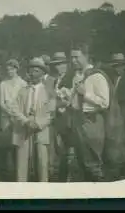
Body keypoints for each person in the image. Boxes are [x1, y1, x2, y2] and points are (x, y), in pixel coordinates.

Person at [69, 45, 125, 182]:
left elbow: (105, 102)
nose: (73, 60)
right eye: (71, 57)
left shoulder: (97, 76)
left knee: (93, 163)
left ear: (86, 56)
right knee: (82, 162)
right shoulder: (77, 76)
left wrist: (86, 94)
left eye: (76, 57)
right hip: (79, 121)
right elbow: (75, 102)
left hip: (93, 121)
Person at [8, 58, 56, 182]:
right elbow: (14, 109)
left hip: (41, 130)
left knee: (42, 163)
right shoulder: (23, 91)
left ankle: (42, 191)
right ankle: (21, 191)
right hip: (24, 129)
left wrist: (38, 124)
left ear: (42, 74)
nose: (33, 74)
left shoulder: (49, 91)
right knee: (22, 164)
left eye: (36, 71)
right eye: (31, 71)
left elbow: (51, 113)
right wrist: (26, 121)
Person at [47, 52, 75, 182]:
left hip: (68, 117)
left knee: (69, 147)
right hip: (58, 117)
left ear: (66, 64)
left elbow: (69, 100)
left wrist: (54, 104)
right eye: (56, 65)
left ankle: (68, 177)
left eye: (61, 64)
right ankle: (61, 175)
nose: (58, 67)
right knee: (60, 148)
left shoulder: (70, 78)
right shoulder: (55, 80)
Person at [0, 58, 27, 181]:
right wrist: (9, 113)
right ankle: (7, 174)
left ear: (17, 69)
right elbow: (1, 103)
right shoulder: (3, 84)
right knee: (6, 146)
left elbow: (24, 102)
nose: (10, 71)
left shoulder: (23, 83)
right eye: (8, 69)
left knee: (18, 145)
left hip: (19, 117)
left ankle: (19, 173)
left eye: (12, 69)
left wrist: (16, 114)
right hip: (6, 116)